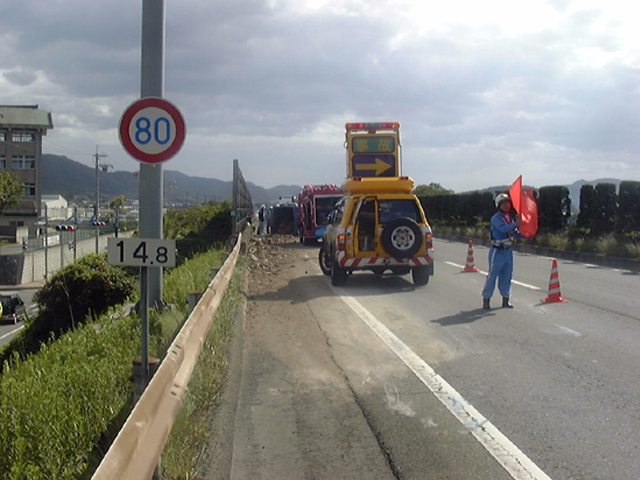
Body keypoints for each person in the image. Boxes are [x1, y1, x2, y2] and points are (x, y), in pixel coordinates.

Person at [482, 193, 524, 310]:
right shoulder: (496, 218)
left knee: (507, 276)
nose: (507, 205)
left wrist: (526, 233)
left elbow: (514, 232)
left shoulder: (509, 218)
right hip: (497, 251)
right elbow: (503, 229)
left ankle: (505, 299)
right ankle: (486, 300)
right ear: (498, 205)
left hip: (508, 251)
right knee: (492, 275)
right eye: (504, 203)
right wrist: (515, 224)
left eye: (508, 203)